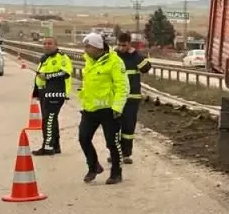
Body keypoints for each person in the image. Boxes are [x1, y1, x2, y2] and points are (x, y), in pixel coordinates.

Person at [77, 31, 129, 184]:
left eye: (89, 47)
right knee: (83, 138)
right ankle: (93, 166)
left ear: (98, 47)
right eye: (85, 46)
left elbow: (122, 86)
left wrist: (118, 107)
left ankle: (116, 173)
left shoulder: (115, 62)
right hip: (90, 108)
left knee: (112, 143)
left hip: (109, 109)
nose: (85, 50)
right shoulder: (89, 61)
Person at [32, 38, 73, 156]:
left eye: (50, 43)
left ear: (56, 45)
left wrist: (48, 76)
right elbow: (39, 76)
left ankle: (48, 146)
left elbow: (65, 73)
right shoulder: (44, 58)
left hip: (56, 92)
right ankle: (55, 145)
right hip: (44, 93)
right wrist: (37, 92)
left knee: (48, 120)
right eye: (44, 44)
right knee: (51, 119)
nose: (46, 46)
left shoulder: (61, 57)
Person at [115, 32, 151, 164]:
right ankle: (115, 153)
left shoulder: (135, 57)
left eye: (124, 45)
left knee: (128, 127)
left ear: (129, 44)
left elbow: (146, 68)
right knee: (114, 127)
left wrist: (135, 54)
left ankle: (126, 154)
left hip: (132, 98)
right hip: (116, 98)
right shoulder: (113, 56)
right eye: (119, 45)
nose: (121, 48)